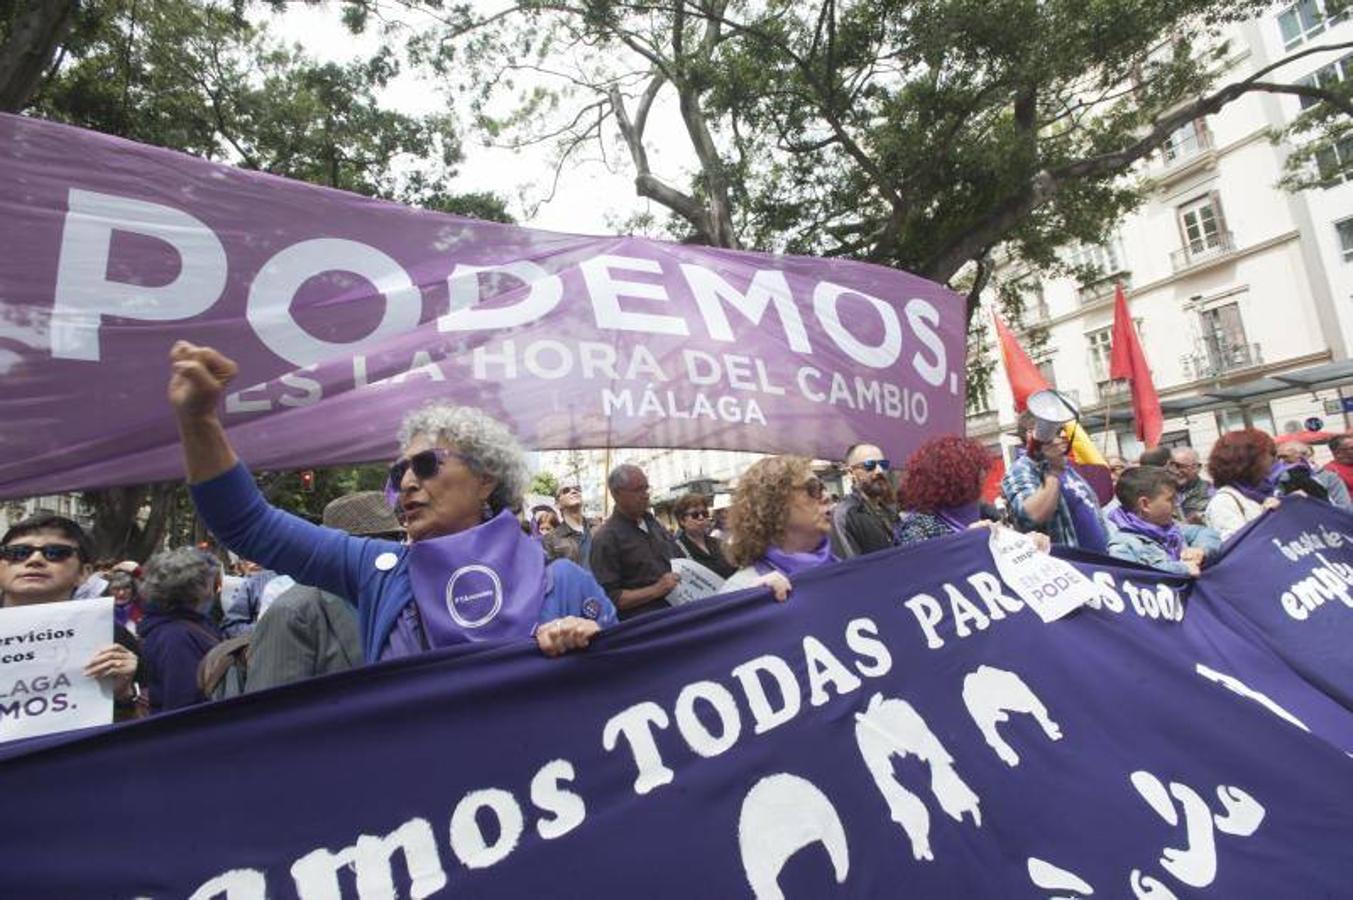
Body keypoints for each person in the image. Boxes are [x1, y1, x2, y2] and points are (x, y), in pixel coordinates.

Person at [169, 342, 616, 662]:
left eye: (426, 464)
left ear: (485, 479)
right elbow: (249, 525)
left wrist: (593, 642)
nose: (406, 483)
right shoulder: (378, 572)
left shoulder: (566, 583)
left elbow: (625, 691)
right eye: (398, 472)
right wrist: (199, 420)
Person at [246, 491, 398, 693]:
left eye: (395, 539)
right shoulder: (294, 613)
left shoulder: (400, 598)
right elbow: (271, 706)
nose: (391, 551)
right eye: (376, 544)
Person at [0, 515, 142, 719]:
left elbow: (137, 732)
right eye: (18, 553)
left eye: (56, 553)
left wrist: (123, 695)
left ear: (84, 573)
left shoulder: (113, 639)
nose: (34, 560)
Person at [721, 456, 836, 598]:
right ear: (774, 504)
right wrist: (753, 603)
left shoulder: (845, 568)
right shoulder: (741, 589)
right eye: (813, 488)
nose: (827, 496)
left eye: (823, 487)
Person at [138, 547, 224, 713]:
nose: (214, 591)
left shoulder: (193, 623)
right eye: (211, 583)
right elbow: (183, 703)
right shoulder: (176, 637)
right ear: (195, 588)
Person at [589, 464, 680, 619]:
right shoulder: (606, 538)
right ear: (616, 494)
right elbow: (610, 598)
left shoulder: (653, 524)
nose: (645, 495)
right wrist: (656, 590)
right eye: (638, 490)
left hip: (678, 614)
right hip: (645, 625)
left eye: (646, 488)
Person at [1001, 430, 1109, 550]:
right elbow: (1032, 515)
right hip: (1068, 559)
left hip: (1099, 557)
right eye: (1056, 431)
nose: (1063, 435)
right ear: (1032, 435)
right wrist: (1053, 471)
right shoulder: (1022, 468)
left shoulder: (1067, 465)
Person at [1107, 467, 1220, 577]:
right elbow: (1134, 575)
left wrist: (1200, 550)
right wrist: (1182, 569)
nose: (1176, 504)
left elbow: (1204, 532)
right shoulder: (1122, 546)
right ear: (1145, 504)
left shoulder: (1172, 529)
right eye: (1170, 499)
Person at [896, 437, 1000, 546]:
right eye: (976, 470)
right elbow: (923, 557)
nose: (983, 476)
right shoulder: (918, 529)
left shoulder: (987, 513)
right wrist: (968, 540)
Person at [1204, 429, 1282, 540]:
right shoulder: (1224, 502)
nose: (1275, 459)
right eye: (1271, 453)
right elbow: (1239, 545)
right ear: (1250, 459)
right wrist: (1266, 518)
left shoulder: (1267, 491)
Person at [830, 442, 902, 558]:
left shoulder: (889, 510)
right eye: (870, 465)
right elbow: (850, 565)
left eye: (883, 464)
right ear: (851, 473)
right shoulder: (844, 514)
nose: (879, 471)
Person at [671, 493, 737, 579]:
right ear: (682, 520)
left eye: (705, 513)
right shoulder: (675, 550)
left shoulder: (719, 543)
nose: (701, 518)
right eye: (695, 515)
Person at [1276, 440, 1351, 509]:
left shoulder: (1329, 477)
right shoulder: (1278, 479)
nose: (1281, 461)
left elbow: (1345, 508)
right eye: (1278, 457)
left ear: (1303, 456)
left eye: (1284, 457)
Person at [543, 483, 593, 567]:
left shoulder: (599, 527)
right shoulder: (551, 540)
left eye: (577, 489)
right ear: (557, 504)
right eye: (566, 490)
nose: (574, 491)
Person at [1168, 447, 1212, 525]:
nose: (1177, 472)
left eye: (1181, 466)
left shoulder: (1211, 492)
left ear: (1197, 467)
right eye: (1172, 466)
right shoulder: (1163, 494)